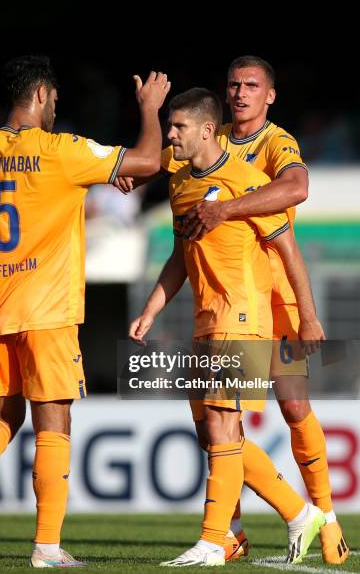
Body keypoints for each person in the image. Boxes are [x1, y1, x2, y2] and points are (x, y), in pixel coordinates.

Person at [0, 55, 170, 567]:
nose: (57, 109)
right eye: (55, 101)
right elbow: (149, 162)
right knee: (53, 422)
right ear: (40, 96)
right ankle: (47, 547)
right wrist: (149, 108)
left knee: (2, 413)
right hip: (48, 309)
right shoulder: (62, 151)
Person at [129, 56, 348, 565]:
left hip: (277, 292)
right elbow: (156, 165)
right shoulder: (208, 136)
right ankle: (236, 529)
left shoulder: (276, 143)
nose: (241, 92)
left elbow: (296, 188)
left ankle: (325, 515)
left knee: (291, 407)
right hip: (223, 288)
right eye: (234, 84)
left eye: (252, 85)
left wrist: (224, 208)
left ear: (270, 95)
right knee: (213, 420)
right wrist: (131, 172)